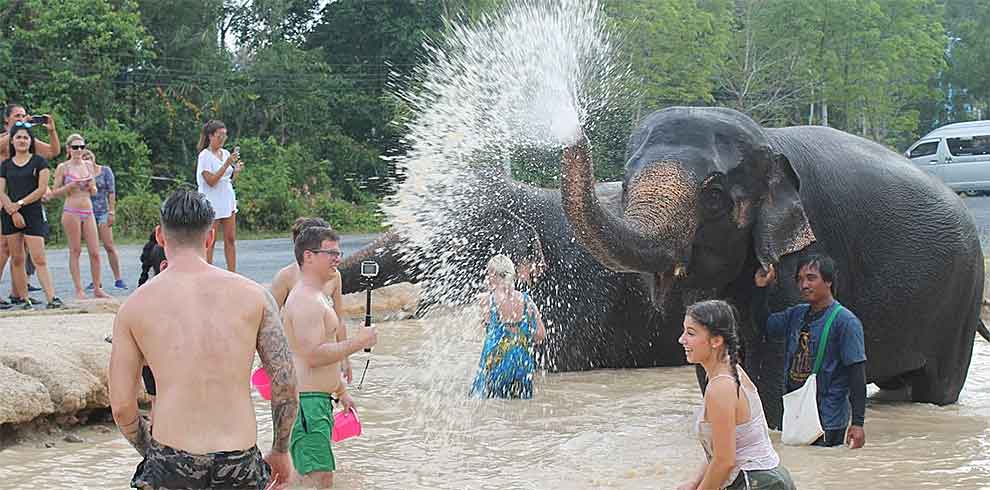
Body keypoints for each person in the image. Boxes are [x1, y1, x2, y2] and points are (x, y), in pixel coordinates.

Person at [108, 189, 298, 489]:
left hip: (169, 459)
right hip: (240, 461)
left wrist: (151, 453)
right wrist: (280, 449)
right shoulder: (254, 296)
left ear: (160, 235)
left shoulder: (134, 307)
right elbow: (285, 383)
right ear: (210, 237)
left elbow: (121, 406)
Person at [282, 225, 378, 488]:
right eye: (330, 252)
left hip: (317, 401)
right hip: (307, 405)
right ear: (308, 256)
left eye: (339, 252)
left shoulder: (318, 296)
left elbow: (320, 354)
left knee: (311, 477)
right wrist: (357, 343)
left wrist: (340, 390)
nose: (337, 258)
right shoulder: (304, 300)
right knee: (319, 478)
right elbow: (313, 355)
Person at [677, 300, 796, 490]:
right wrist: (694, 482)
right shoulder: (730, 371)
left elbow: (724, 461)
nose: (681, 339)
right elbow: (719, 449)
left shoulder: (721, 386)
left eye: (691, 333)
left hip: (756, 483)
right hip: (767, 478)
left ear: (716, 340)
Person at [753, 254, 867, 449]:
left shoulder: (846, 322)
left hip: (827, 420)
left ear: (829, 281)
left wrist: (857, 423)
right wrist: (762, 290)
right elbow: (764, 325)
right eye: (800, 279)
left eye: (811, 278)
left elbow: (857, 375)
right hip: (797, 411)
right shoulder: (796, 314)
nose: (804, 285)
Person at [271, 216, 353, 383]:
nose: (335, 257)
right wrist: (270, 358)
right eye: (329, 251)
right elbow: (269, 319)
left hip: (326, 349)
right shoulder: (286, 277)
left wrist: (345, 358)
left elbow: (339, 319)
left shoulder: (334, 276)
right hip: (298, 353)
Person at [0, 123, 62, 309]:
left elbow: (41, 189)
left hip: (32, 211)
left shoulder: (39, 162)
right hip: (10, 213)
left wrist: (19, 205)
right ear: (12, 140)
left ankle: (52, 298)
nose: (22, 140)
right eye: (18, 137)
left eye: (26, 138)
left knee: (38, 257)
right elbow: (2, 191)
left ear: (31, 141)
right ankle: (24, 299)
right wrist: (11, 209)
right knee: (17, 258)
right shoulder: (5, 165)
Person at [470, 254, 547, 399]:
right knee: (520, 408)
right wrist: (520, 336)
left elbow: (485, 327)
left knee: (490, 407)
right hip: (521, 364)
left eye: (488, 273)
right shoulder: (527, 300)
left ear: (493, 274)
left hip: (496, 363)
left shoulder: (486, 300)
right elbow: (541, 335)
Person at [45, 134, 109, 300]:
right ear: (68, 149)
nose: (79, 150)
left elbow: (95, 189)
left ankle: (97, 287)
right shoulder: (63, 167)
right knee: (75, 250)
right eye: (75, 147)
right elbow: (54, 192)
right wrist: (70, 186)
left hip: (88, 209)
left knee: (95, 251)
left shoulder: (88, 165)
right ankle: (79, 289)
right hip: (71, 210)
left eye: (81, 147)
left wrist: (90, 186)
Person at [195, 120, 241, 272]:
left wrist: (236, 172)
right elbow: (211, 181)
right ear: (210, 136)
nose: (222, 138)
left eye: (224, 135)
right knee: (210, 239)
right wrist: (227, 164)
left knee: (230, 239)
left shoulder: (225, 153)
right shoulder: (205, 156)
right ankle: (207, 272)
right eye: (219, 135)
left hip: (227, 199)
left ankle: (232, 273)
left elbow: (227, 180)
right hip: (212, 201)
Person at [85, 148, 127, 289]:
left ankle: (118, 278)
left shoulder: (105, 171)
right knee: (93, 249)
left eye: (89, 156)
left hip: (103, 211)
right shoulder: (82, 175)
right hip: (87, 212)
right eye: (84, 158)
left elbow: (111, 192)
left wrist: (111, 211)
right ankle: (96, 280)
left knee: (108, 245)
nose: (87, 159)